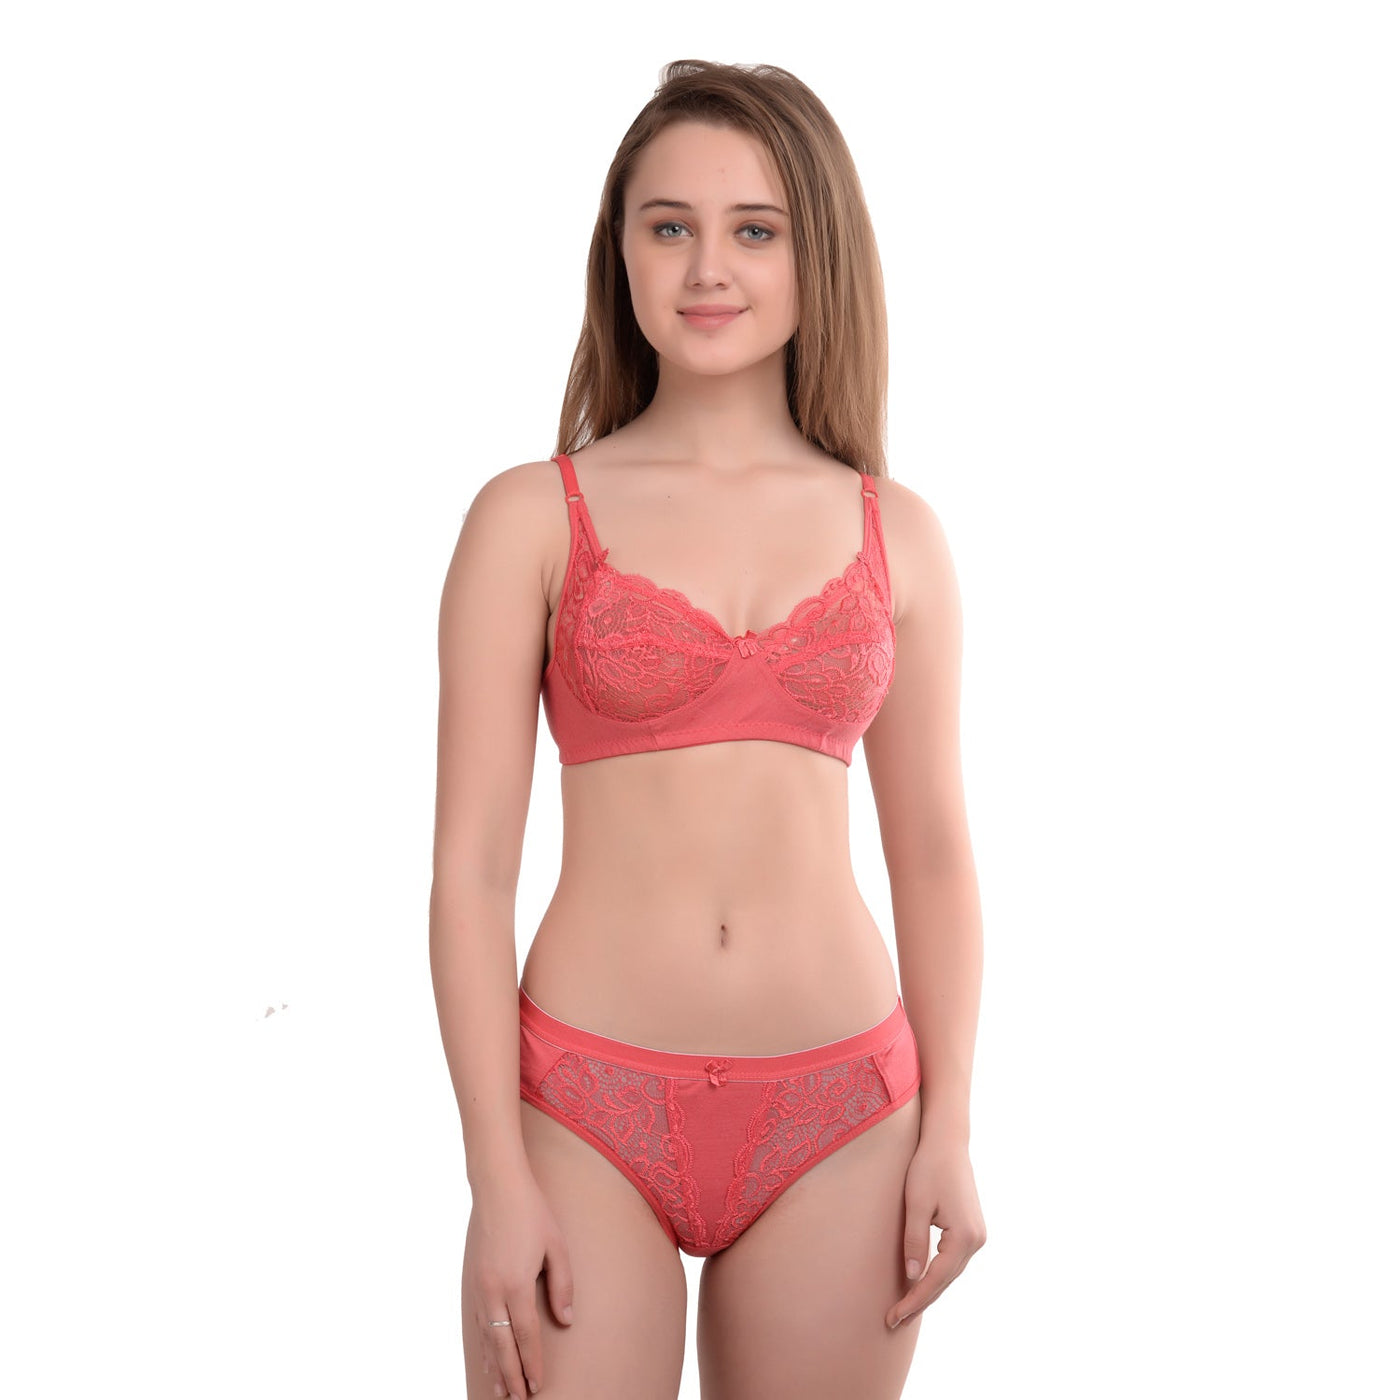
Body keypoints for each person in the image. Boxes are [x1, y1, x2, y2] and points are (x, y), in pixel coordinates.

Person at [430, 59, 986, 1400]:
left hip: (844, 1116)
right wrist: (494, 1177)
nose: (707, 268)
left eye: (755, 230)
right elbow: (471, 874)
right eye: (669, 224)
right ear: (618, 248)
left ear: (815, 254)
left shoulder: (898, 533)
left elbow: (932, 854)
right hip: (581, 1108)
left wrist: (952, 1128)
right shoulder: (529, 516)